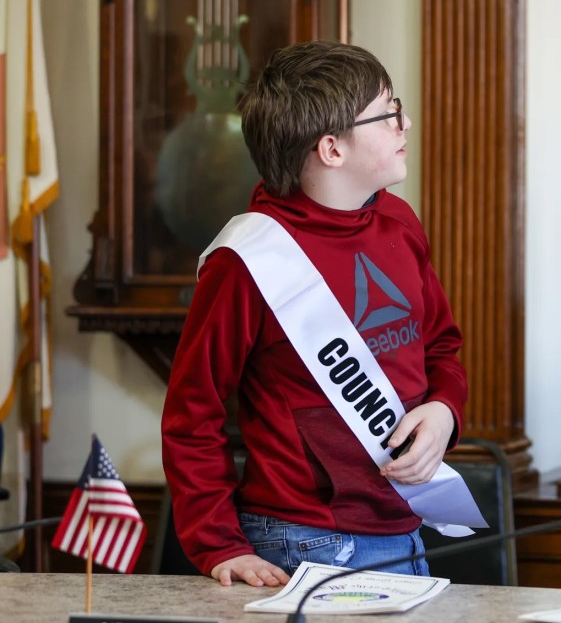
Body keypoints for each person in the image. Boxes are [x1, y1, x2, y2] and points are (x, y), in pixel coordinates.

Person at [162, 41, 469, 587]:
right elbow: (192, 412)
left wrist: (445, 410)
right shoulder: (246, 260)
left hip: (405, 530)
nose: (408, 123)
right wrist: (217, 544)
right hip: (301, 539)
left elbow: (441, 345)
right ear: (332, 149)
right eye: (390, 112)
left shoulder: (398, 220)